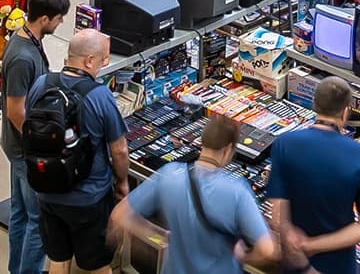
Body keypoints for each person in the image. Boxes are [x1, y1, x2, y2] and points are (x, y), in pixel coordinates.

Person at [112, 114, 278, 274]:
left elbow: (120, 215)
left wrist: (161, 236)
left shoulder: (170, 175)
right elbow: (268, 250)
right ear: (228, 150)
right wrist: (242, 257)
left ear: (201, 142)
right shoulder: (236, 191)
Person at [36, 29, 131, 274]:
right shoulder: (99, 95)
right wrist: (122, 182)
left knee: (58, 258)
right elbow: (119, 149)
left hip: (47, 190)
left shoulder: (42, 84)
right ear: (89, 60)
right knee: (98, 264)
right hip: (88, 198)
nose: (104, 65)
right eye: (103, 59)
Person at [266, 78, 360, 274]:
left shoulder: (284, 144)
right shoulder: (358, 155)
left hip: (295, 262)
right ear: (345, 112)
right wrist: (312, 245)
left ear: (314, 104)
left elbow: (277, 216)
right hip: (338, 265)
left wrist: (295, 241)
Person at [1, 0, 71, 274]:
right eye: (59, 18)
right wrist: (37, 148)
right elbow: (16, 110)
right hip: (24, 150)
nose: (61, 22)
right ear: (44, 19)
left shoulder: (28, 39)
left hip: (19, 147)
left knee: (19, 212)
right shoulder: (22, 57)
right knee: (35, 218)